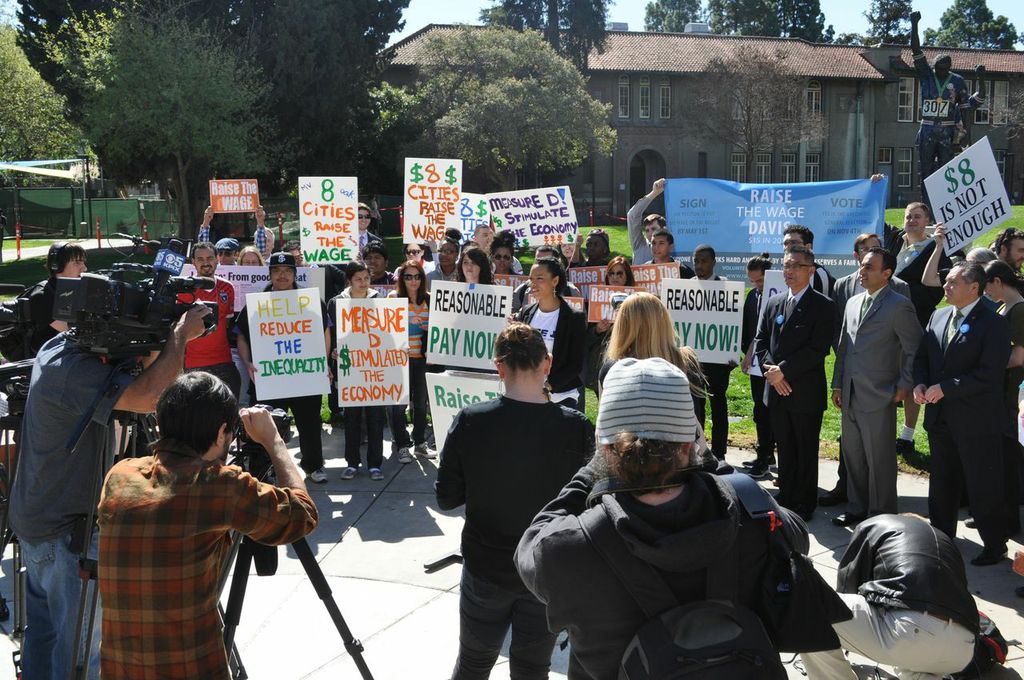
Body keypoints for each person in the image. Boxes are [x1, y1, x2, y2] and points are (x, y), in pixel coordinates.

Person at [515, 357, 809, 680]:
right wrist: (709, 460)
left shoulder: (570, 549)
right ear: (687, 445)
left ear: (605, 448)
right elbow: (797, 535)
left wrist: (590, 473)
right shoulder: (751, 518)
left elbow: (530, 546)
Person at [8, 302, 212, 680]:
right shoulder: (73, 371)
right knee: (81, 657)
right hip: (65, 534)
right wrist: (179, 336)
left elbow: (149, 375)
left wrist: (157, 339)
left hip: (40, 521)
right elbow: (151, 398)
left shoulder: (59, 348)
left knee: (46, 638)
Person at [97, 373, 318, 680]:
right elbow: (302, 515)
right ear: (220, 434)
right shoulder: (220, 486)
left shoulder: (120, 475)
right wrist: (273, 442)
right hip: (191, 668)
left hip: (119, 670)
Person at [436, 323, 593, 679]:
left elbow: (447, 497)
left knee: (473, 664)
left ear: (499, 368)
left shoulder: (471, 421)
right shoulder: (576, 427)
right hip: (546, 570)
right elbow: (586, 507)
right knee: (532, 670)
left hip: (486, 568)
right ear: (548, 364)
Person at [800, 513, 978, 680]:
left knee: (810, 612)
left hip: (912, 632)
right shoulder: (945, 543)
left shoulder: (877, 525)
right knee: (914, 654)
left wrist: (842, 642)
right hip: (963, 649)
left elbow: (848, 585)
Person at [913, 262, 1010, 566]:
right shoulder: (939, 316)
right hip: (941, 418)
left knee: (982, 483)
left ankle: (995, 545)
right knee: (942, 481)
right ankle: (941, 539)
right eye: (947, 280)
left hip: (976, 420)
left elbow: (989, 374)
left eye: (953, 281)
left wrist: (946, 388)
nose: (946, 286)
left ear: (974, 288)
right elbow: (923, 357)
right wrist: (920, 382)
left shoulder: (993, 323)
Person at [831, 248, 921, 526]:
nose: (862, 271)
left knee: (879, 459)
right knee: (854, 455)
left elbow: (914, 348)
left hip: (881, 393)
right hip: (850, 392)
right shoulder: (853, 302)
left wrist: (904, 384)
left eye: (870, 267)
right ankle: (857, 508)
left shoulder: (898, 305)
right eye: (862, 265)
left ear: (887, 273)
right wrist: (837, 384)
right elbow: (844, 348)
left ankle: (881, 515)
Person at [235, 252, 332, 484]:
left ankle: (314, 466)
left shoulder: (310, 301)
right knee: (269, 425)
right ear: (270, 274)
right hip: (270, 377)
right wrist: (248, 363)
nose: (282, 275)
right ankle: (268, 467)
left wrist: (324, 361)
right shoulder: (257, 304)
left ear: (294, 274)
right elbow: (241, 337)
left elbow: (325, 331)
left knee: (309, 422)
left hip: (305, 375)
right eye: (277, 271)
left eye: (287, 271)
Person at [754, 245, 834, 521]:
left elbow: (817, 349)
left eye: (795, 266)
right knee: (785, 446)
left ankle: (804, 501)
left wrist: (783, 372)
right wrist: (771, 372)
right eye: (786, 265)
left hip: (804, 392)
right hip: (776, 390)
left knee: (804, 448)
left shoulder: (823, 306)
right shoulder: (775, 302)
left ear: (810, 271)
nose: (788, 271)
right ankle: (786, 495)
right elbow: (761, 340)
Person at [884, 201, 948, 456]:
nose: (911, 220)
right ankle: (882, 430)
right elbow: (873, 213)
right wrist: (877, 185)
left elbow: (935, 288)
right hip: (886, 322)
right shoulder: (896, 242)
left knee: (911, 378)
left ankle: (907, 436)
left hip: (916, 320)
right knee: (886, 374)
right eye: (908, 216)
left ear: (927, 221)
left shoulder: (935, 247)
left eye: (917, 217)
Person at [910, 10, 983, 204]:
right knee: (924, 169)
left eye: (943, 70)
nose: (939, 72)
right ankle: (924, 206)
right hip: (926, 129)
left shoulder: (958, 81)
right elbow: (915, 50)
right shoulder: (926, 74)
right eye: (937, 69)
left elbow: (966, 109)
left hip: (946, 131)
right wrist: (914, 24)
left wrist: (966, 132)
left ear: (948, 69)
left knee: (945, 170)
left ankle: (943, 204)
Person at [329, 262, 387, 481]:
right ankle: (352, 463)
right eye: (358, 279)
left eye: (366, 278)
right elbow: (332, 333)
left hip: (374, 365)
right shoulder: (337, 303)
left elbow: (388, 331)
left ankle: (375, 464)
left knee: (375, 417)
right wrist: (334, 351)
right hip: (349, 367)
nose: (363, 283)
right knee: (351, 418)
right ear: (349, 281)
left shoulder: (379, 300)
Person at [982, 259, 1024, 536]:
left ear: (997, 281)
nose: (985, 292)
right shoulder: (1002, 307)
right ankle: (997, 514)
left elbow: (1019, 356)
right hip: (999, 398)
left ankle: (1010, 521)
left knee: (1010, 463)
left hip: (1012, 399)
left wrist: (984, 363)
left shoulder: (1019, 310)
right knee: (998, 461)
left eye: (986, 285)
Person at [515, 257, 586, 410]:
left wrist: (547, 387)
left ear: (555, 281)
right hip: (527, 396)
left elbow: (575, 365)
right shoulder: (526, 312)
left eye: (539, 278)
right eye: (531, 279)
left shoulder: (574, 318)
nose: (532, 284)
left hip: (562, 397)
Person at [388, 260, 436, 464]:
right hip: (400, 359)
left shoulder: (430, 299)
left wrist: (430, 328)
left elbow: (440, 326)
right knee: (398, 404)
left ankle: (420, 442)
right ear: (401, 279)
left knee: (421, 403)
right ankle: (402, 444)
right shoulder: (394, 298)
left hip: (423, 359)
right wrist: (408, 324)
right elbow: (387, 327)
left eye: (417, 276)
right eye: (408, 276)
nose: (413, 280)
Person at [180, 241, 241, 398]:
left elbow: (226, 323)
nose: (205, 263)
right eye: (200, 259)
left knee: (229, 411)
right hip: (194, 364)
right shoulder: (183, 290)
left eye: (209, 258)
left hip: (223, 361)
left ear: (217, 259)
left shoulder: (228, 288)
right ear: (193, 261)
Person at [691, 244, 734, 460]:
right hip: (692, 361)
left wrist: (733, 353)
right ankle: (699, 450)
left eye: (704, 261)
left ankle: (719, 451)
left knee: (719, 405)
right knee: (695, 406)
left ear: (714, 262)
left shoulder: (726, 288)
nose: (699, 265)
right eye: (696, 261)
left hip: (718, 362)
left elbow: (734, 324)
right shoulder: (685, 288)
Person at [740, 253, 776, 478]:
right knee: (759, 410)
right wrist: (747, 354)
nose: (756, 285)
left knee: (769, 411)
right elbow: (748, 329)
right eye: (752, 281)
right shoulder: (752, 297)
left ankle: (766, 456)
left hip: (773, 365)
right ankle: (764, 453)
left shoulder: (777, 296)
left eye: (760, 281)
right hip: (755, 364)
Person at [25, 241, 88, 355]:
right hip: (47, 358)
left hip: (68, 353)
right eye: (77, 262)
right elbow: (70, 330)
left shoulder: (73, 291)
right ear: (57, 266)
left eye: (83, 262)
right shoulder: (42, 296)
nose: (84, 268)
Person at [511, 245, 583, 312]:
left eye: (546, 262)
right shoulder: (522, 291)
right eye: (538, 261)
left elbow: (581, 322)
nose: (540, 265)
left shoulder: (571, 291)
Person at [282, 239, 348, 301]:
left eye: (301, 255)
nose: (299, 259)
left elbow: (349, 281)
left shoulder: (327, 269)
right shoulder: (285, 276)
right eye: (294, 258)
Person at [782, 225, 835, 296]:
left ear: (808, 247)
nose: (787, 247)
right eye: (785, 243)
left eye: (793, 243)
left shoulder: (820, 274)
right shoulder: (780, 273)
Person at [627, 178, 667, 265]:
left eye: (653, 228)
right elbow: (632, 215)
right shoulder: (639, 245)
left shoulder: (672, 249)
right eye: (647, 230)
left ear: (664, 229)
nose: (650, 233)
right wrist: (654, 193)